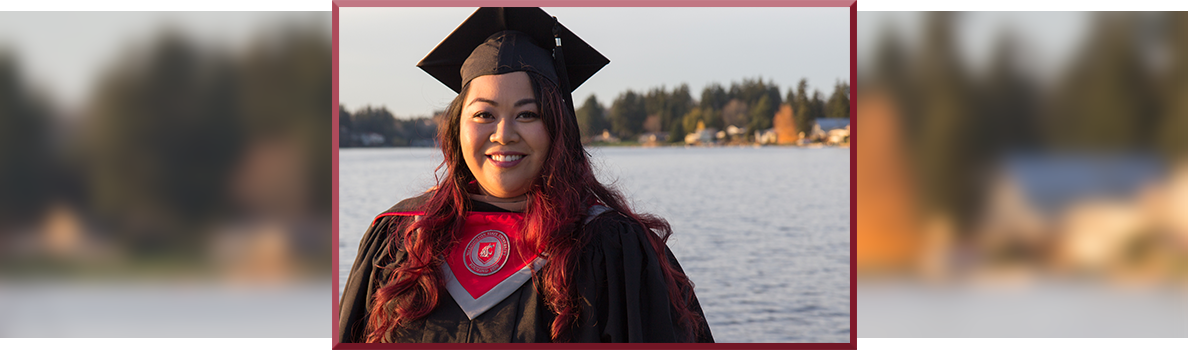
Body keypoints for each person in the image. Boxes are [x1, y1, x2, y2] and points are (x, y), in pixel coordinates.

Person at [338, 7, 713, 343]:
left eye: (527, 114)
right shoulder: (401, 238)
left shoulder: (610, 249)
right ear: (456, 128)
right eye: (484, 115)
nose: (504, 134)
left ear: (557, 128)